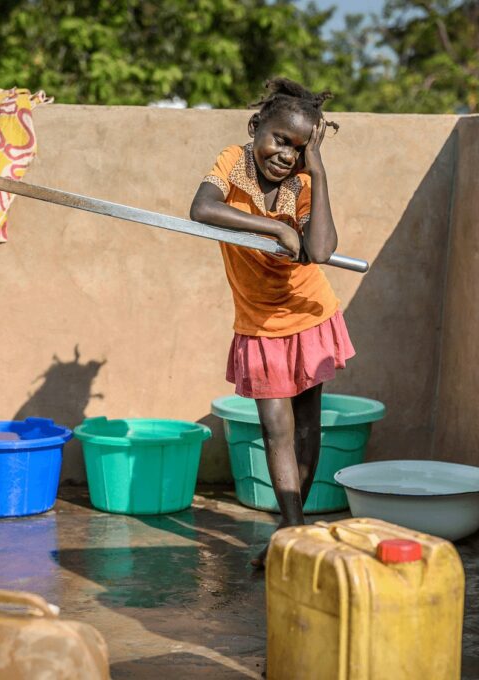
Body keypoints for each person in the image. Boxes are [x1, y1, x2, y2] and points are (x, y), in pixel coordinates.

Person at [189, 78, 355, 568]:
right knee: (275, 430)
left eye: (299, 149)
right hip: (260, 323)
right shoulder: (232, 162)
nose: (286, 155)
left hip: (308, 315)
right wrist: (278, 226)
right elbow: (201, 209)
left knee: (307, 428)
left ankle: (288, 532)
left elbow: (321, 250)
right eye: (281, 139)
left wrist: (318, 173)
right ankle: (294, 530)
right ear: (256, 126)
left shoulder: (303, 185)